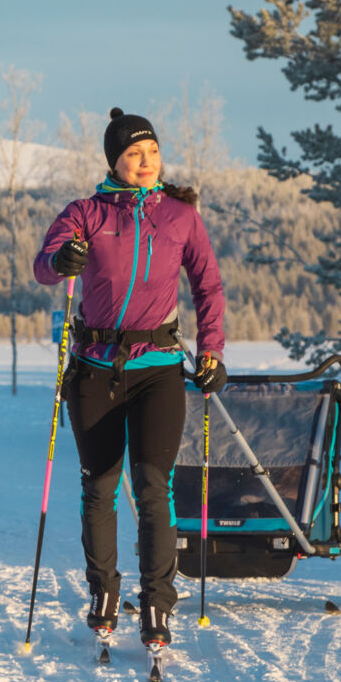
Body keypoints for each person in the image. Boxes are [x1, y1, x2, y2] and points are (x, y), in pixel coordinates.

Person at [32, 107, 227, 652]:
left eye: (153, 152)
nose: (146, 162)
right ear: (115, 161)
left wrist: (211, 350)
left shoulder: (181, 216)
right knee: (98, 487)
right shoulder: (86, 212)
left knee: (152, 488)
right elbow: (44, 265)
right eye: (134, 154)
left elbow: (208, 287)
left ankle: (158, 603)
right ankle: (104, 595)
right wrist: (63, 257)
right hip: (95, 368)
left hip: (158, 370)